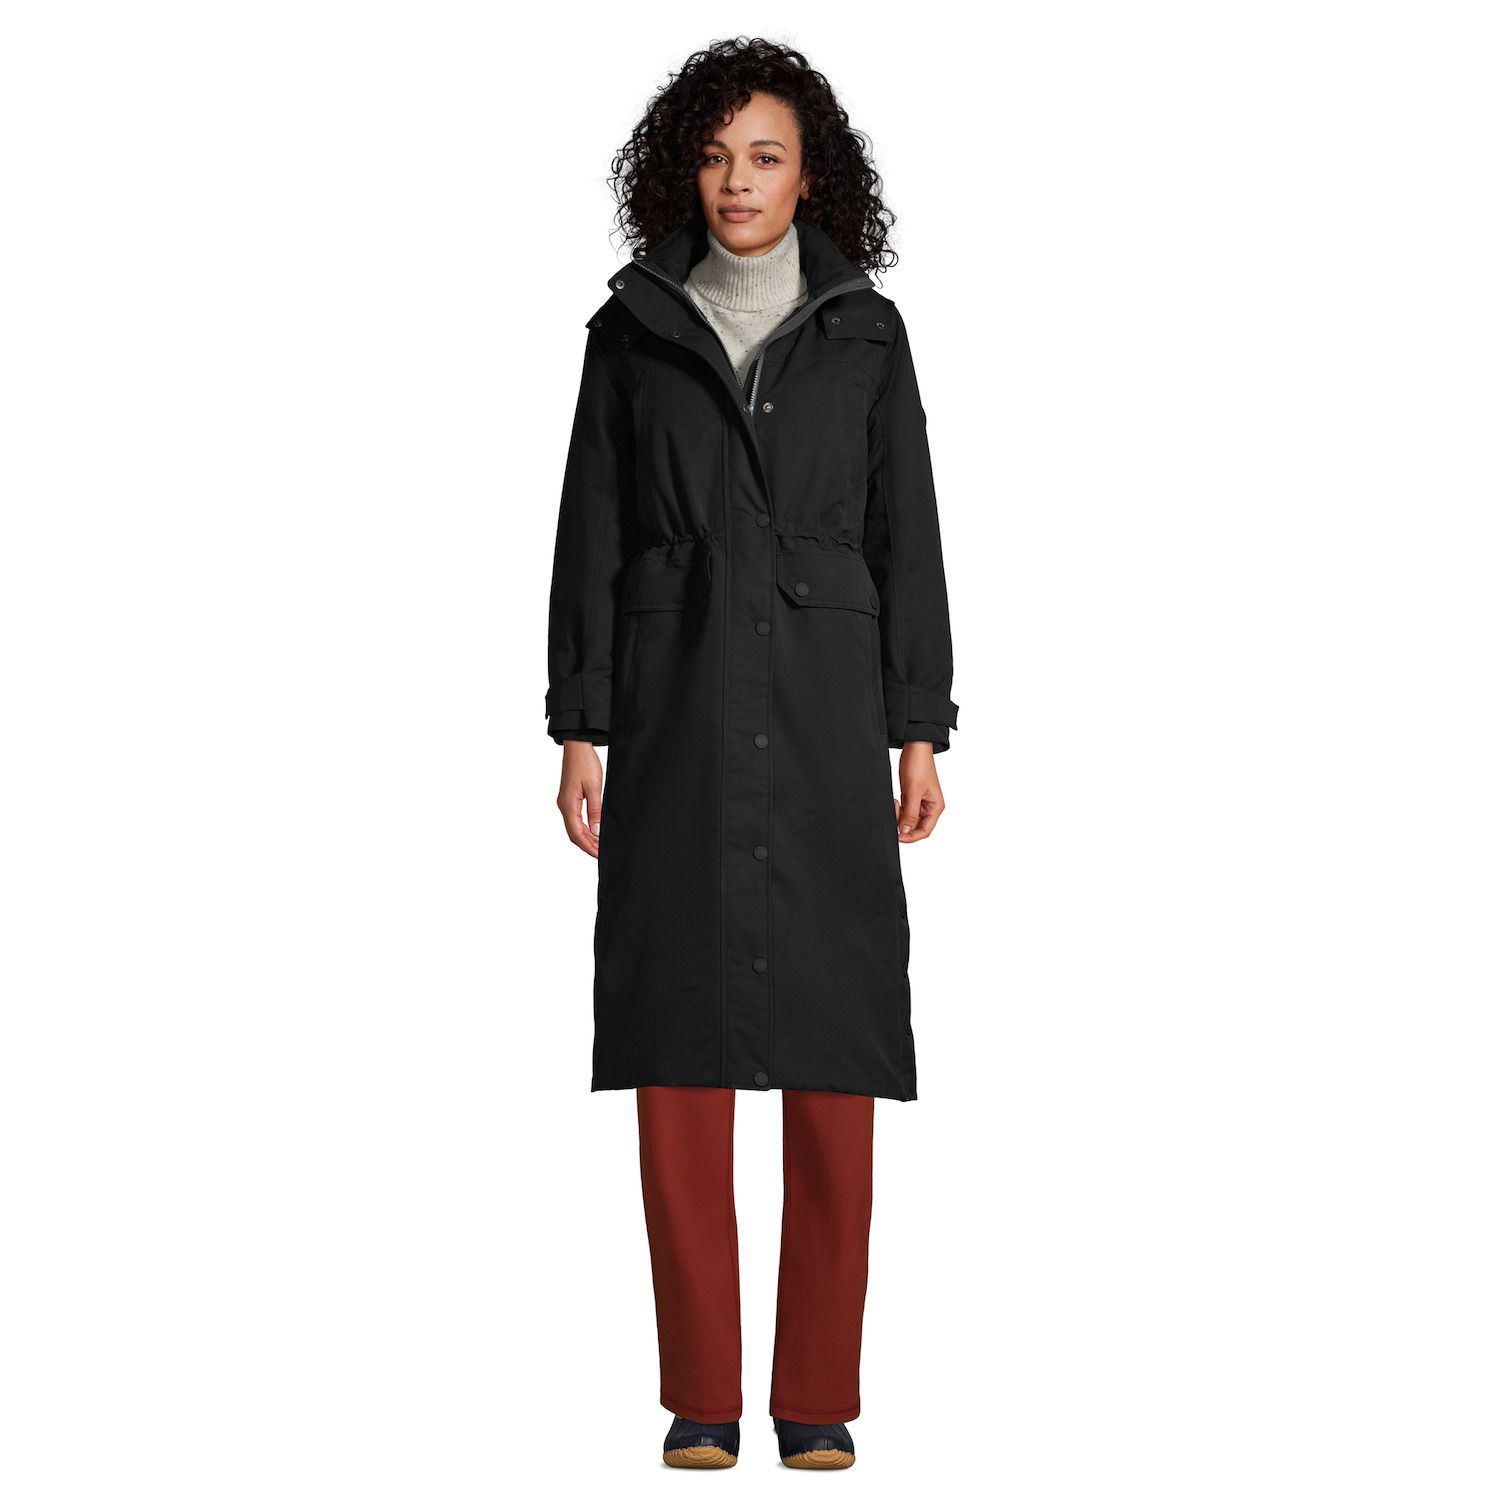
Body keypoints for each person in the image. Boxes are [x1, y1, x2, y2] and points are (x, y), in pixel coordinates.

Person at [544, 37, 959, 1471]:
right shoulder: (630, 331)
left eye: (765, 157)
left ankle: (818, 1391)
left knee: (836, 1050)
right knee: (679, 1050)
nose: (738, 182)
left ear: (809, 177)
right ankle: (704, 1395)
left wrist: (919, 724)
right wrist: (581, 723)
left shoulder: (867, 336)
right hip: (673, 707)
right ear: (686, 172)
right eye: (716, 157)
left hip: (831, 711)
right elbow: (591, 533)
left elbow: (910, 537)